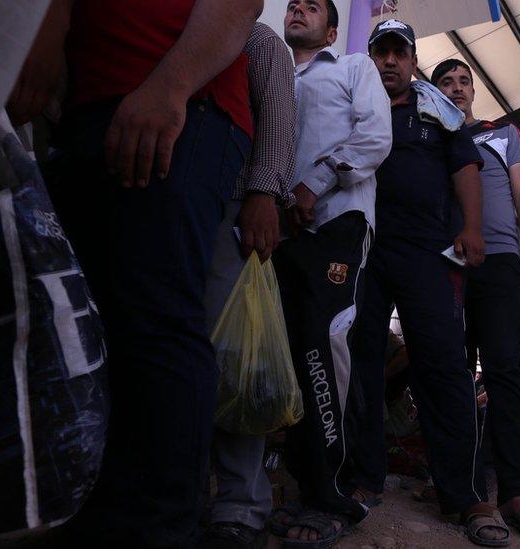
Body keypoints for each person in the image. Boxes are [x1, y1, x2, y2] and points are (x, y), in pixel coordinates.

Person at [40, 1, 263, 545]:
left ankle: (157, 528)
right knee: (88, 326)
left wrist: (172, 85)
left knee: (155, 315)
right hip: (87, 107)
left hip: (181, 104)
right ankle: (94, 513)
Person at [352, 19, 511, 547]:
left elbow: (465, 167)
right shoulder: (356, 102)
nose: (390, 61)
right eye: (382, 52)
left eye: (400, 53)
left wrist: (470, 227)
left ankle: (464, 496)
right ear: (371, 57)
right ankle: (360, 478)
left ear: (413, 61)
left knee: (443, 369)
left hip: (427, 255)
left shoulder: (437, 111)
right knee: (360, 363)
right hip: (364, 251)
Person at [265, 2, 393, 546]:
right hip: (273, 230)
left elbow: (374, 137)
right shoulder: (270, 71)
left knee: (324, 343)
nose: (297, 8)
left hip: (336, 224)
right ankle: (283, 479)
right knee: (280, 348)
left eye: (311, 5)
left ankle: (328, 489)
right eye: (292, 3)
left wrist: (314, 184)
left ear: (333, 30)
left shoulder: (353, 69)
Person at [434, 60, 520, 546]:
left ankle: (516, 491)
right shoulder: (431, 133)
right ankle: (466, 492)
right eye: (446, 82)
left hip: (501, 263)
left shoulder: (502, 134)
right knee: (451, 374)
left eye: (463, 82)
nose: (457, 88)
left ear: (474, 89)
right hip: (446, 266)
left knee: (506, 374)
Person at [199, 22, 296, 549]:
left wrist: (263, 192)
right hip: (174, 201)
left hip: (232, 209)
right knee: (180, 354)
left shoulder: (255, 37)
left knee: (235, 360)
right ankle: (185, 491)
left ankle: (240, 503)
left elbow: (279, 117)